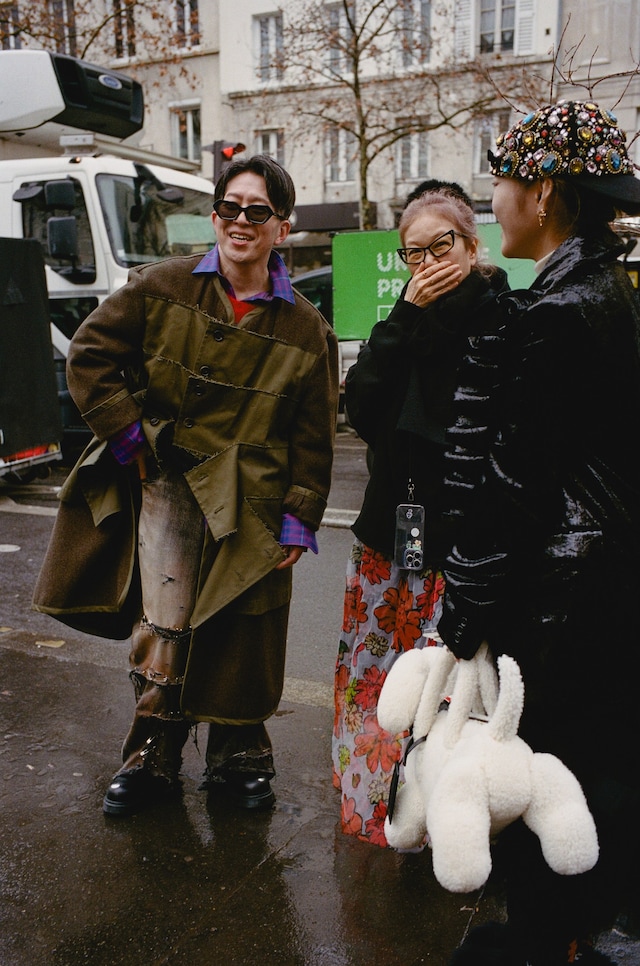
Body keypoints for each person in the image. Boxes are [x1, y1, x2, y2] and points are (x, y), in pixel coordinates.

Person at [33, 155, 339, 816]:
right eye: (231, 207)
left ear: (280, 228)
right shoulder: (159, 286)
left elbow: (314, 436)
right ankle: (153, 755)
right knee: (164, 625)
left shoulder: (307, 330)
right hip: (169, 483)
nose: (241, 221)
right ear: (215, 216)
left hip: (254, 501)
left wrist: (300, 516)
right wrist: (128, 438)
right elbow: (89, 355)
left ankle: (239, 756)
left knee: (244, 631)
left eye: (258, 210)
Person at [440, 101, 640, 965]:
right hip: (604, 583)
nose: (493, 198)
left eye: (502, 178)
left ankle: (543, 941)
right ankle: (576, 934)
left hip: (559, 599)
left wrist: (466, 610)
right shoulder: (607, 289)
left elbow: (515, 486)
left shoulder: (557, 312)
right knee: (595, 774)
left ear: (546, 190)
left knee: (541, 775)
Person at [332, 185, 509, 846]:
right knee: (376, 685)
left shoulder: (501, 319)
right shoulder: (399, 325)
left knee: (452, 695)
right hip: (389, 536)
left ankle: (450, 827)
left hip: (462, 550)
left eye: (445, 245)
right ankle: (378, 810)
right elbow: (364, 411)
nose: (430, 261)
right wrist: (403, 319)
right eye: (416, 252)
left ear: (471, 245)